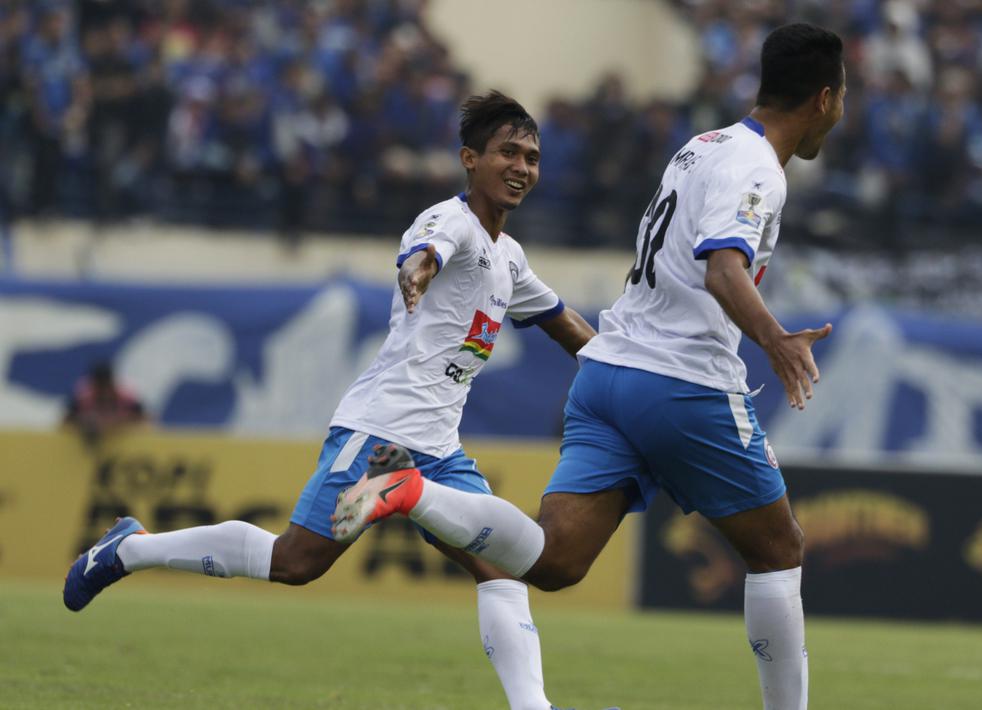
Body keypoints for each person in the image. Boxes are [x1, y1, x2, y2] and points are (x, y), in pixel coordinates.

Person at [334, 24, 846, 709]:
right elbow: (723, 267)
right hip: (684, 382)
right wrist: (776, 340)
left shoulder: (700, 146)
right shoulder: (758, 168)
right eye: (841, 100)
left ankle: (409, 491)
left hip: (606, 374)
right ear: (823, 99)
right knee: (778, 547)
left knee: (554, 562)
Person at [63, 92, 599, 710]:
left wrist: (624, 368)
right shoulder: (449, 221)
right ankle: (130, 548)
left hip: (440, 451)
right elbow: (424, 255)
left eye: (532, 157)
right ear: (469, 159)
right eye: (508, 152)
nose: (522, 167)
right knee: (296, 562)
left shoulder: (509, 258)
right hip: (379, 435)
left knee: (498, 566)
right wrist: (417, 272)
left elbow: (565, 323)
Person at [62, 362, 147, 445]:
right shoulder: (83, 399)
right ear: (94, 385)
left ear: (111, 383)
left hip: (125, 442)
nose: (104, 391)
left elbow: (144, 420)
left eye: (106, 385)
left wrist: (122, 423)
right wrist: (85, 424)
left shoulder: (126, 398)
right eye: (100, 386)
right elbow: (66, 422)